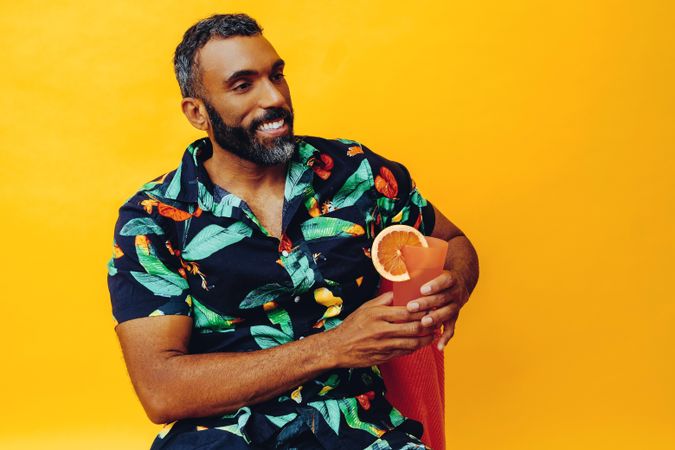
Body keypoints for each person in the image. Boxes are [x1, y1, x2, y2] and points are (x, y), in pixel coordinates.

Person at [107, 13, 479, 450]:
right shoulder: (153, 218)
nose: (274, 97)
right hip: (221, 434)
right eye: (242, 85)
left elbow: (455, 242)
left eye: (276, 75)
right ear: (197, 112)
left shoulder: (356, 172)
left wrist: (454, 285)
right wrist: (334, 346)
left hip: (358, 426)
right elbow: (161, 390)